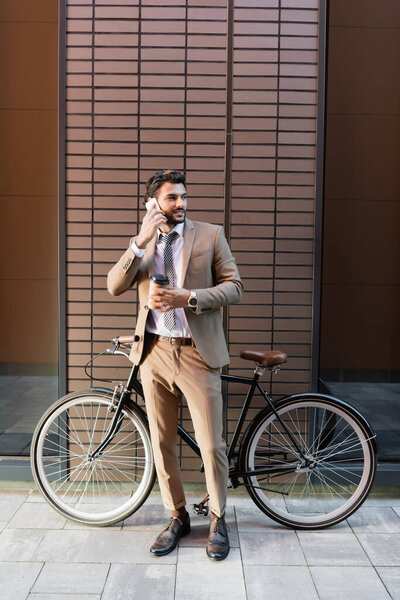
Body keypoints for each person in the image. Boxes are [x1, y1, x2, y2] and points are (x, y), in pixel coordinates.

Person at [107, 169, 244, 561]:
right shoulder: (144, 244)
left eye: (183, 196)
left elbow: (235, 286)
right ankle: (177, 516)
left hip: (197, 353)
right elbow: (114, 285)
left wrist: (190, 297)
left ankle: (218, 519)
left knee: (210, 443)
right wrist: (138, 242)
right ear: (153, 204)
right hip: (154, 354)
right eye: (171, 198)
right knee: (163, 442)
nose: (181, 204)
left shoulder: (210, 234)